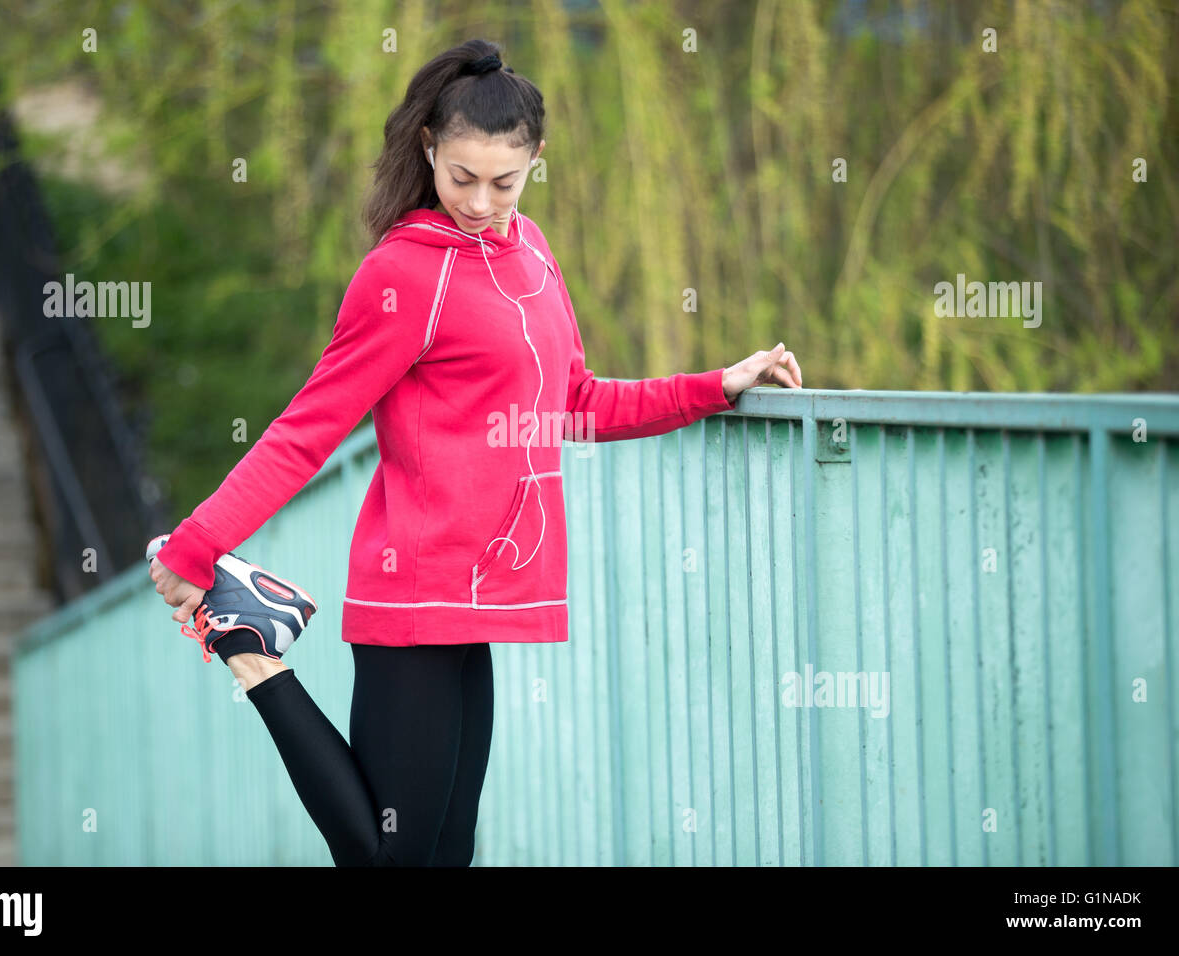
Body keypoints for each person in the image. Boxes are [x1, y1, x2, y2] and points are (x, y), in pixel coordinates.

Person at [147, 38, 803, 868]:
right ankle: (246, 643)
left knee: (448, 853)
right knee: (388, 858)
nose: (482, 201)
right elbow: (308, 427)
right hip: (413, 589)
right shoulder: (403, 277)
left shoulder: (530, 253)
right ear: (429, 151)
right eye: (462, 178)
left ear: (535, 162)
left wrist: (717, 384)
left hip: (481, 595)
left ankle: (248, 628)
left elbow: (575, 405)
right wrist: (198, 545)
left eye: (505, 180)